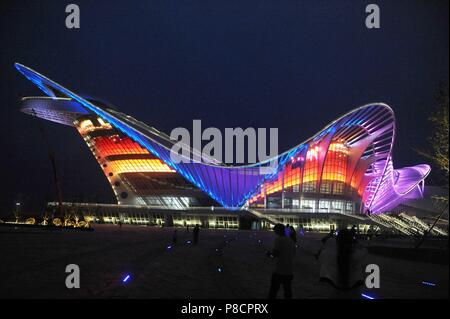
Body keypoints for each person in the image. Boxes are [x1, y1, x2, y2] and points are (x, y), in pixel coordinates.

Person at [267, 224, 296, 299]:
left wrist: (269, 254)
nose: (275, 233)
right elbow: (293, 254)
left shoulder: (279, 239)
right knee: (287, 291)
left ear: (279, 230)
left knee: (273, 291)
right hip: (289, 270)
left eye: (275, 231)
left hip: (279, 270)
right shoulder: (291, 241)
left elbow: (275, 254)